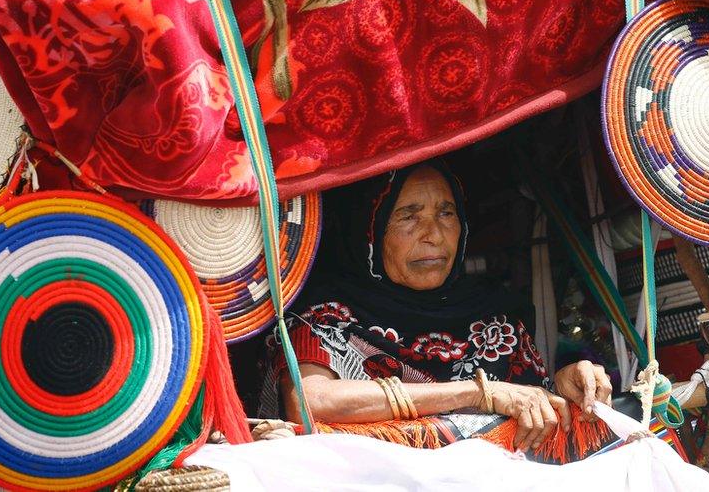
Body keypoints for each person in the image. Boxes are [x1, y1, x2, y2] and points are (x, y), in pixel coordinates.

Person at [261, 160, 612, 452]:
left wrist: (566, 389)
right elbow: (309, 402)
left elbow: (533, 409)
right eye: (408, 216)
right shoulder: (325, 320)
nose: (433, 234)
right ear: (369, 232)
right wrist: (480, 393)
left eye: (446, 213)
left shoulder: (496, 324)